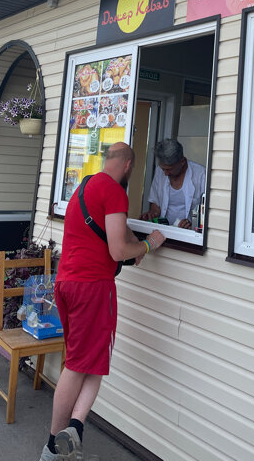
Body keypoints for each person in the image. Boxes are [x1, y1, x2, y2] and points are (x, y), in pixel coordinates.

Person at [40, 142, 166, 461]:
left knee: (92, 359)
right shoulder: (115, 191)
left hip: (66, 283)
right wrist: (149, 245)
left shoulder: (85, 187)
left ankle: (75, 429)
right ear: (128, 166)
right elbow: (118, 251)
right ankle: (53, 446)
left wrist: (134, 240)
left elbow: (112, 231)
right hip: (93, 288)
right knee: (78, 365)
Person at [141, 139, 206, 229]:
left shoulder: (201, 174)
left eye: (169, 169)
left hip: (190, 233)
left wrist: (193, 225)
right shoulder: (160, 172)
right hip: (164, 230)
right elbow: (155, 203)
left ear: (182, 161)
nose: (165, 173)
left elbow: (206, 213)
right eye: (163, 169)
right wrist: (152, 214)